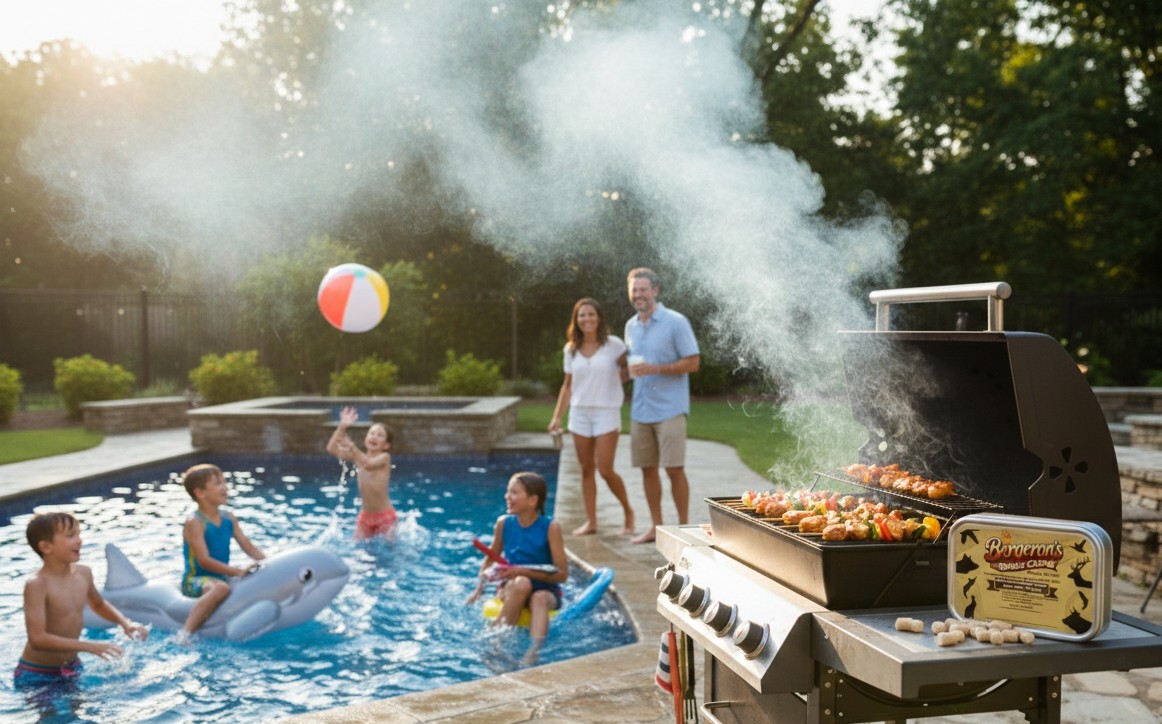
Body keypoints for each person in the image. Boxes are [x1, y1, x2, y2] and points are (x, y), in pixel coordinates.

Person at [18, 512, 148, 683]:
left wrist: (125, 623)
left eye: (79, 534)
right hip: (37, 672)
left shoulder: (84, 573)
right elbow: (38, 639)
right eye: (71, 535)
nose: (79, 541)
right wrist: (90, 646)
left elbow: (98, 604)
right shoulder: (37, 584)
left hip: (72, 666)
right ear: (46, 547)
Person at [623, 268, 700, 545]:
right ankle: (656, 527)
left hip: (670, 409)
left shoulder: (676, 322)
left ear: (655, 291)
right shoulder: (630, 326)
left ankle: (684, 528)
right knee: (647, 469)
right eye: (634, 290)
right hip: (641, 410)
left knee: (674, 469)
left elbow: (693, 362)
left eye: (643, 289)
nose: (638, 295)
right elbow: (634, 365)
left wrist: (656, 368)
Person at [548, 298, 636, 537]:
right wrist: (557, 417)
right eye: (582, 315)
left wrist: (619, 378)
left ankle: (628, 512)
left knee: (605, 469)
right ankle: (592, 522)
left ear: (599, 318)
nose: (586, 319)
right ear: (576, 320)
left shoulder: (614, 345)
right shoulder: (571, 349)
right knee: (586, 469)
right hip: (579, 414)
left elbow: (631, 367)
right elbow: (567, 385)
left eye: (591, 314)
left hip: (607, 411)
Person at [464, 472, 568, 666]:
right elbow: (490, 558)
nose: (507, 496)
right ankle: (497, 644)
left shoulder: (550, 527)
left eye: (514, 492)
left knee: (538, 596)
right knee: (521, 583)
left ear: (532, 500)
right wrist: (478, 590)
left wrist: (521, 571)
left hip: (545, 590)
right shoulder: (504, 523)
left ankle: (533, 652)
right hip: (513, 586)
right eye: (507, 491)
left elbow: (562, 575)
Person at [180, 463, 266, 636]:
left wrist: (267, 562)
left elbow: (247, 545)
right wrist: (238, 572)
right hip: (195, 580)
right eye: (218, 484)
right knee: (221, 589)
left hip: (221, 577)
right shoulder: (195, 522)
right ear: (200, 493)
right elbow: (204, 560)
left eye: (224, 482)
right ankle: (185, 634)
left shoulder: (229, 518)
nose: (225, 487)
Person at [326, 407, 397, 540]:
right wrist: (342, 427)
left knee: (389, 548)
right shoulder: (359, 458)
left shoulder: (384, 458)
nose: (374, 437)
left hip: (385, 516)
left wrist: (352, 447)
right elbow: (331, 448)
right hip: (365, 517)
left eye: (380, 435)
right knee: (356, 547)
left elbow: (368, 464)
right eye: (372, 433)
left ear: (386, 445)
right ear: (366, 438)